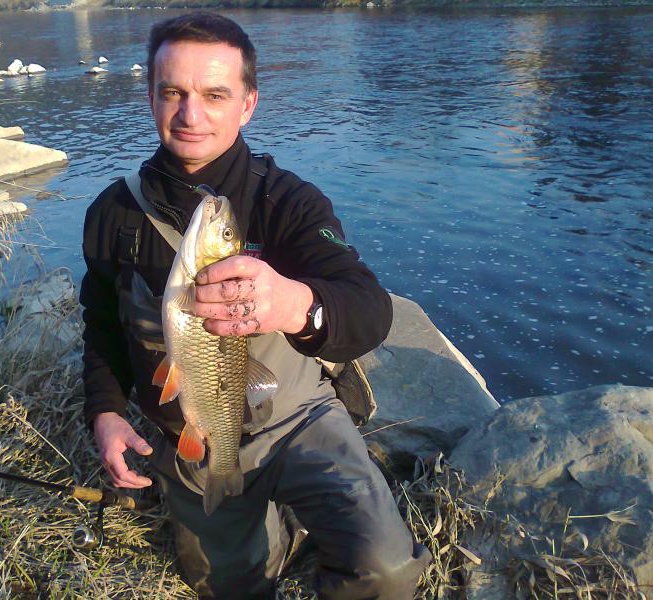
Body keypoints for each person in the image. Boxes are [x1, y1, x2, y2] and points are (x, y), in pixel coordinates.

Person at [80, 12, 430, 599]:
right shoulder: (113, 214)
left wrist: (295, 304)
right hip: (194, 431)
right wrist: (107, 411)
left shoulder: (287, 201)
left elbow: (369, 308)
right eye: (173, 92)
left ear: (248, 104)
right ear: (150, 97)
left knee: (387, 569)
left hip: (298, 418)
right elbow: (101, 327)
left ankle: (291, 514)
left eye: (215, 95)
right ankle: (273, 530)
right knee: (232, 588)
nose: (191, 115)